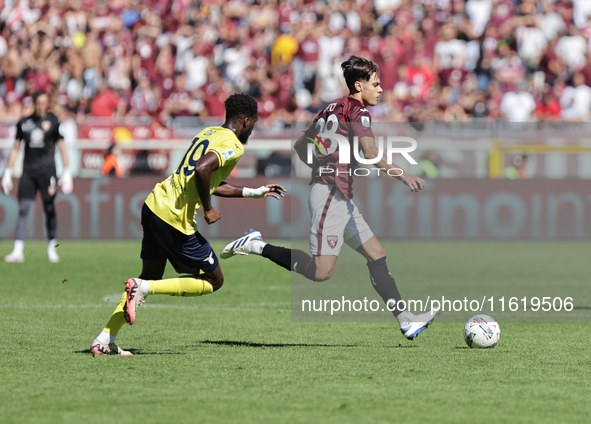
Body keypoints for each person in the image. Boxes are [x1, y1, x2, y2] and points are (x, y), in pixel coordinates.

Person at [221, 56, 438, 340]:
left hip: (338, 194)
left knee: (377, 253)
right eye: (376, 84)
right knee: (321, 271)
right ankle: (256, 245)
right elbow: (370, 152)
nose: (381, 89)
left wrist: (320, 166)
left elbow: (300, 146)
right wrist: (403, 175)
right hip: (330, 195)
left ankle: (405, 320)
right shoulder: (358, 111)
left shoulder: (331, 107)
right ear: (359, 85)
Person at [90, 93, 286, 356]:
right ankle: (143, 288)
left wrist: (255, 191)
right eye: (254, 123)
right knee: (214, 280)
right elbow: (202, 170)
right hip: (174, 218)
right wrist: (207, 208)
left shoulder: (209, 133)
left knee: (149, 277)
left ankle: (105, 338)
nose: (252, 129)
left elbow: (210, 180)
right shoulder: (234, 145)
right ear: (246, 121)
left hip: (154, 205)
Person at [1, 90, 73, 263]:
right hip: (28, 172)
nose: (41, 106)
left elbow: (62, 146)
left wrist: (67, 170)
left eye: (44, 102)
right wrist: (8, 172)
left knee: (49, 208)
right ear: (34, 103)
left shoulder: (53, 121)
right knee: (24, 208)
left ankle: (52, 247)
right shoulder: (24, 123)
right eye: (38, 102)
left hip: (48, 172)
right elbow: (16, 147)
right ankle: (18, 250)